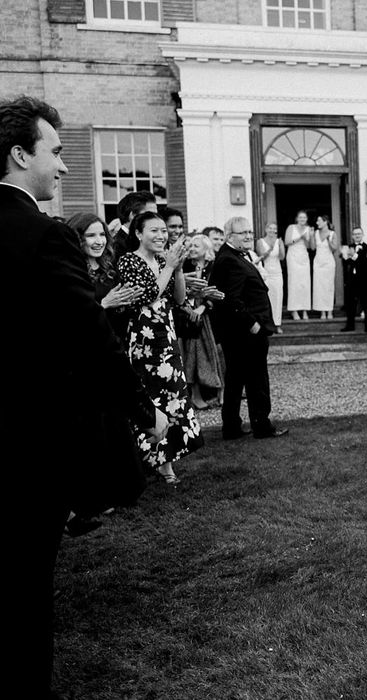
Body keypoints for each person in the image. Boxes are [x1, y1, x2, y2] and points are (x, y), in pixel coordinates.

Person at [0, 95, 168, 699]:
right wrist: (144, 407)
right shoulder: (43, 237)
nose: (65, 168)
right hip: (24, 445)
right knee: (24, 595)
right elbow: (90, 335)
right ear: (21, 154)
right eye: (57, 152)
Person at [118, 211, 203, 485]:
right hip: (142, 343)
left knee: (171, 398)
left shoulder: (163, 261)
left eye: (164, 231)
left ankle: (167, 463)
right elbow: (145, 295)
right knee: (148, 400)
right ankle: (143, 462)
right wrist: (168, 266)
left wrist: (176, 267)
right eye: (153, 230)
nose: (161, 235)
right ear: (138, 234)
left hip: (166, 339)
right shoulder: (128, 261)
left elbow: (178, 299)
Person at [209, 216, 288, 440]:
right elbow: (230, 299)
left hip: (241, 332)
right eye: (243, 233)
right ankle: (261, 426)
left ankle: (232, 428)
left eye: (250, 232)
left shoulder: (233, 256)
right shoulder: (228, 259)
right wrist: (252, 324)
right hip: (244, 333)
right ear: (229, 236)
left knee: (236, 379)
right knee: (256, 380)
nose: (248, 236)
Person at [180, 233, 225, 409]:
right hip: (190, 316)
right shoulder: (184, 267)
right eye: (190, 246)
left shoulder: (214, 267)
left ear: (206, 249)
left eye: (196, 246)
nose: (191, 249)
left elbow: (219, 290)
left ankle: (222, 393)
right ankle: (196, 395)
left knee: (220, 353)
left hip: (213, 315)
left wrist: (204, 306)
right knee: (192, 354)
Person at [340, 225, 367, 332]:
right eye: (355, 234)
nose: (357, 236)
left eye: (359, 233)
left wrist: (354, 256)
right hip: (352, 280)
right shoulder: (348, 247)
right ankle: (350, 326)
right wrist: (351, 257)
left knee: (365, 304)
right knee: (350, 304)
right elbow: (346, 262)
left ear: (362, 235)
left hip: (364, 280)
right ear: (352, 236)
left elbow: (364, 262)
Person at [254, 221, 286, 333]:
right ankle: (267, 324)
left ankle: (277, 324)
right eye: (270, 228)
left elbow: (282, 257)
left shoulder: (278, 241)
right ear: (266, 229)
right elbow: (261, 257)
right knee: (266, 299)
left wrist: (280, 245)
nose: (272, 231)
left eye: (274, 229)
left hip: (277, 273)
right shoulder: (260, 241)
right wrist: (270, 248)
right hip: (266, 273)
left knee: (277, 298)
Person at [112, 190, 157, 261]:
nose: (156, 219)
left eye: (156, 215)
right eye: (149, 215)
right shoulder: (116, 248)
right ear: (133, 215)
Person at [285, 209, 312, 320]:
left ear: (306, 219)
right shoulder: (291, 227)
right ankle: (294, 310)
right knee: (294, 283)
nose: (302, 219)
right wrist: (299, 237)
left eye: (304, 218)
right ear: (297, 218)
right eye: (300, 217)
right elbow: (287, 242)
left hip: (304, 257)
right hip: (293, 256)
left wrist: (306, 239)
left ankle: (305, 310)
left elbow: (310, 246)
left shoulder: (308, 229)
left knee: (305, 284)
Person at [312, 214, 338, 319]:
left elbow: (334, 248)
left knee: (329, 286)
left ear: (325, 221)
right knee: (319, 287)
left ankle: (329, 311)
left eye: (319, 221)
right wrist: (311, 237)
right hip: (318, 262)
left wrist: (328, 240)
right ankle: (322, 311)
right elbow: (313, 248)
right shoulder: (316, 233)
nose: (317, 223)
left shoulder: (332, 234)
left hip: (328, 262)